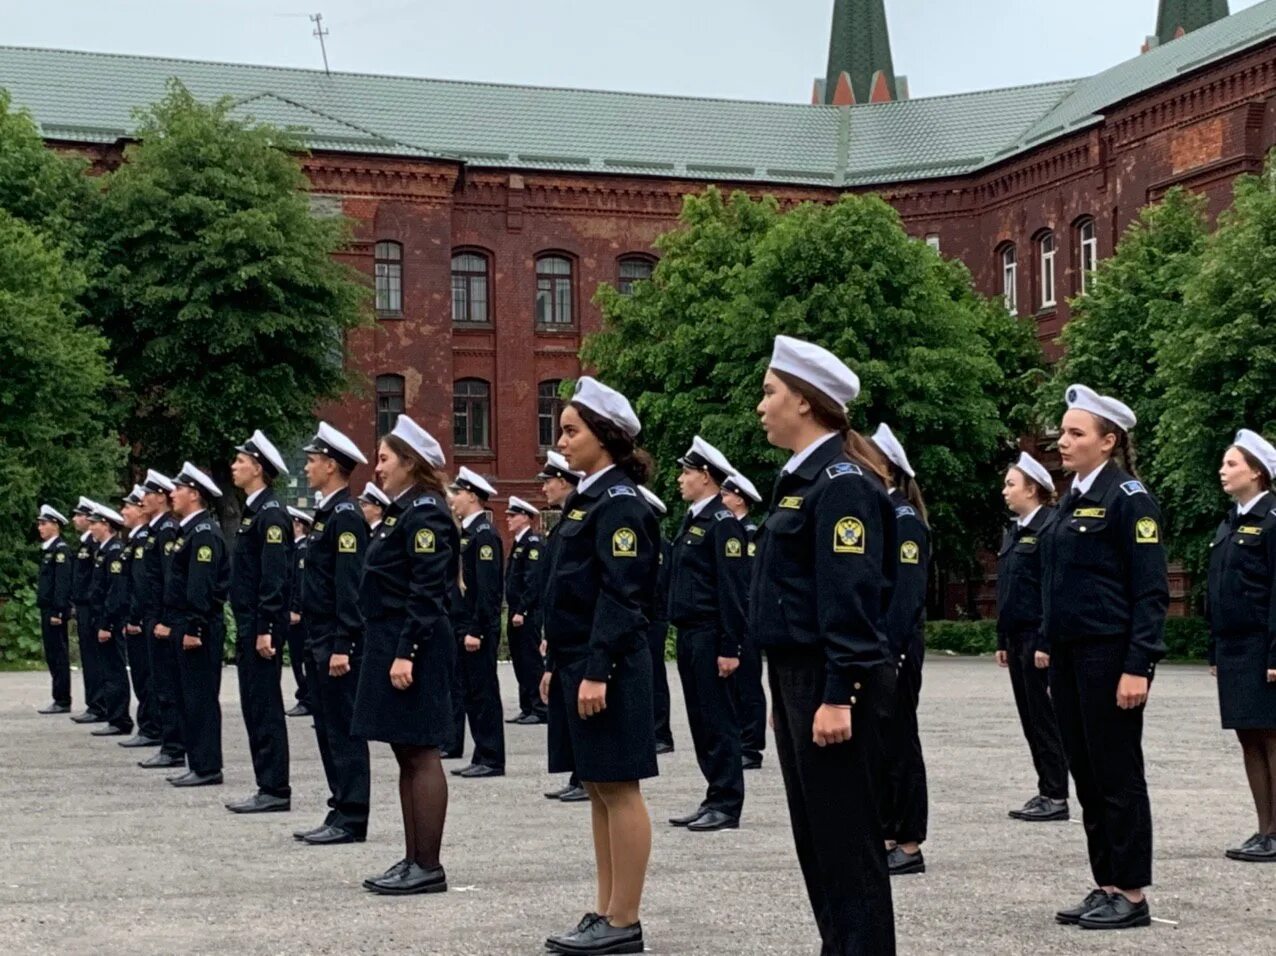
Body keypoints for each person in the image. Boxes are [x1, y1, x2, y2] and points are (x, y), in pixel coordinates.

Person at [750, 335, 897, 955]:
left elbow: (852, 599)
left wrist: (840, 693)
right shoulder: (800, 480)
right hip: (795, 675)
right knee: (818, 837)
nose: (761, 406)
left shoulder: (841, 485)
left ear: (805, 403)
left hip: (826, 680)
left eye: (770, 392)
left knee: (846, 838)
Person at [1040, 384, 1167, 931]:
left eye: (1075, 432)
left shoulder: (1129, 498)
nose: (1062, 440)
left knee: (1117, 774)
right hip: (1071, 657)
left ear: (1107, 441)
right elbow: (1058, 580)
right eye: (1063, 431)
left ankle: (1133, 893)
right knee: (1086, 775)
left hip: (1110, 655)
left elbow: (1150, 592)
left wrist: (1138, 665)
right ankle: (1106, 883)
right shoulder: (1072, 497)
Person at [539, 377, 659, 956]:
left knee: (619, 786)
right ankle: (606, 909)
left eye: (571, 430)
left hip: (609, 666)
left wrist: (596, 669)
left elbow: (621, 594)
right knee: (598, 786)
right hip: (579, 662)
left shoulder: (619, 504)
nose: (561, 440)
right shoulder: (588, 498)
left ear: (605, 438)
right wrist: (558, 660)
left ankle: (625, 920)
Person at [353, 415, 459, 895]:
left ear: (409, 463)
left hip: (412, 643)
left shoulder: (426, 513)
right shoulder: (403, 511)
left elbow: (426, 589)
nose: (377, 469)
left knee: (420, 750)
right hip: (391, 640)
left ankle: (428, 865)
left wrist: (407, 652)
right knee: (405, 752)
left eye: (384, 459)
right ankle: (413, 855)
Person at [667, 435, 748, 832]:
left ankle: (727, 802)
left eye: (686, 472)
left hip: (711, 633)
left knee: (719, 721)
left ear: (705, 475)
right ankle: (713, 794)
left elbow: (732, 591)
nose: (680, 478)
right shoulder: (695, 520)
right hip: (689, 632)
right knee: (701, 720)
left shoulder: (723, 524)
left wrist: (730, 646)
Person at [295, 422, 371, 844]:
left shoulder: (345, 517)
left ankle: (353, 815)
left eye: (311, 460)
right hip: (319, 636)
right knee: (325, 727)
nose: (306, 467)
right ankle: (338, 806)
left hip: (336, 642)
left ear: (330, 465)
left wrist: (344, 644)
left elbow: (350, 588)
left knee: (342, 730)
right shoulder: (328, 512)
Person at [1208, 429, 1276, 862]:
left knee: (1271, 737)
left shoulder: (1272, 521)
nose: (1223, 470)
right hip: (1234, 646)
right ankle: (1263, 828)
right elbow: (1219, 589)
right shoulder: (1230, 522)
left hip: (1262, 645)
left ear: (1257, 471)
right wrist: (1214, 649)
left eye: (1232, 463)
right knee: (1247, 737)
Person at [870, 423, 931, 876]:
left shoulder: (904, 518)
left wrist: (888, 651)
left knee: (899, 742)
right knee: (881, 743)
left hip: (897, 645)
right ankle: (888, 831)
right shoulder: (878, 511)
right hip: (879, 646)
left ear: (886, 466)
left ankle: (908, 841)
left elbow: (905, 595)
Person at [997, 452, 1069, 823]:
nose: (1005, 491)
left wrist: (1046, 641)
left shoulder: (1048, 530)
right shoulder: (1016, 530)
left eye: (1011, 484)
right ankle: (1046, 788)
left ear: (1033, 489)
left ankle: (1056, 794)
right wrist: (1001, 637)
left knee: (1045, 719)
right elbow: (1009, 589)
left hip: (1038, 638)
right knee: (1030, 718)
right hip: (1017, 638)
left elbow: (1052, 591)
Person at [226, 430, 295, 814]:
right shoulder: (256, 510)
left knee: (265, 705)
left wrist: (268, 627)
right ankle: (265, 783)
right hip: (251, 623)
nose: (234, 467)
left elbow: (274, 577)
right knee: (254, 704)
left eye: (240, 461)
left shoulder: (270, 514)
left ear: (257, 467)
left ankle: (275, 788)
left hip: (261, 626)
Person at [158, 462, 230, 788]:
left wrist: (194, 628)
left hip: (198, 627)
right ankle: (197, 762)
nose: (172, 494)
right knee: (189, 696)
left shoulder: (204, 534)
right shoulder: (190, 531)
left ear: (194, 494)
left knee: (200, 697)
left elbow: (201, 588)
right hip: (185, 623)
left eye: (178, 489)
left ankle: (207, 766)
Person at [446, 466, 506, 778]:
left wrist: (477, 629)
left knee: (483, 693)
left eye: (456, 493)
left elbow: (488, 591)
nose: (452, 499)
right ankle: (481, 753)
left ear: (471, 495)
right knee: (470, 693)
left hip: (476, 629)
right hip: (463, 625)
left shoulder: (484, 535)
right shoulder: (468, 533)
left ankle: (492, 758)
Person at [538, 451, 590, 804]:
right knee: (567, 708)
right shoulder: (564, 521)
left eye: (549, 480)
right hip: (562, 632)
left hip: (580, 634)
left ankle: (586, 775)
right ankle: (578, 773)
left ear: (565, 481)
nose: (544, 487)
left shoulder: (582, 518)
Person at [137, 470, 187, 770]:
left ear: (160, 497)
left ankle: (173, 747)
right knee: (159, 683)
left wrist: (166, 619)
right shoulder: (156, 531)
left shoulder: (167, 530)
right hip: (152, 615)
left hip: (162, 618)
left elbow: (171, 580)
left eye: (147, 494)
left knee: (167, 685)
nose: (143, 499)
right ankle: (170, 743)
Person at [720, 471, 765, 769]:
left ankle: (751, 745)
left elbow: (749, 581)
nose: (721, 500)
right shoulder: (728, 530)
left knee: (748, 684)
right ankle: (738, 739)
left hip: (748, 618)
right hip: (736, 617)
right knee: (734, 685)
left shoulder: (750, 535)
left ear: (739, 498)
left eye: (725, 495)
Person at [119, 485, 162, 749]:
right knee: (142, 676)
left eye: (128, 506)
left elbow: (143, 584)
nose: (123, 512)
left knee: (148, 678)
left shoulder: (147, 538)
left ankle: (151, 728)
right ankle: (148, 725)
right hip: (137, 617)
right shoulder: (136, 540)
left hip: (144, 617)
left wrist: (134, 617)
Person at [88, 502, 135, 738]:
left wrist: (107, 624)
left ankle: (120, 718)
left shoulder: (115, 550)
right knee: (107, 669)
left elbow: (115, 592)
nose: (91, 527)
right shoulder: (105, 550)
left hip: (111, 622)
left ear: (106, 525)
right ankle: (114, 715)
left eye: (94, 523)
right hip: (101, 619)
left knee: (114, 670)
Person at [638, 485, 675, 756]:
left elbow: (657, 585)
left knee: (655, 678)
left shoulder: (660, 545)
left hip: (653, 619)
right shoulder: (645, 541)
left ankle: (662, 733)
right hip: (642, 619)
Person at [505, 495, 547, 726]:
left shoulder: (533, 543)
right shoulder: (520, 543)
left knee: (530, 660)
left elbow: (533, 581)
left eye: (512, 515)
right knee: (520, 660)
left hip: (528, 612)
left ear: (525, 517)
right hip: (516, 611)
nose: (508, 519)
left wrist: (522, 610)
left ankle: (539, 707)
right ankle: (527, 705)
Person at [69, 498, 105, 725]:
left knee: (95, 658)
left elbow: (94, 580)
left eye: (80, 516)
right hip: (83, 606)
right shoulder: (86, 544)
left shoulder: (94, 545)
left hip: (92, 607)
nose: (76, 520)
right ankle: (94, 702)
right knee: (89, 658)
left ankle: (99, 704)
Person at [34, 505, 73, 715]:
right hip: (47, 609)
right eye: (39, 523)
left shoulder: (61, 551)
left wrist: (60, 611)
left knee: (58, 654)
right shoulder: (49, 550)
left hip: (54, 611)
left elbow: (63, 584)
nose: (40, 527)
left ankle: (62, 699)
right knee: (52, 654)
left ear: (55, 525)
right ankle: (58, 697)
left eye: (44, 523)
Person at [284, 507, 314, 718]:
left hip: (299, 615)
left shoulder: (302, 549)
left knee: (300, 657)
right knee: (296, 657)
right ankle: (305, 695)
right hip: (293, 612)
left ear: (297, 524)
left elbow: (300, 583)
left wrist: (296, 609)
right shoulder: (295, 548)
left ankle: (306, 698)